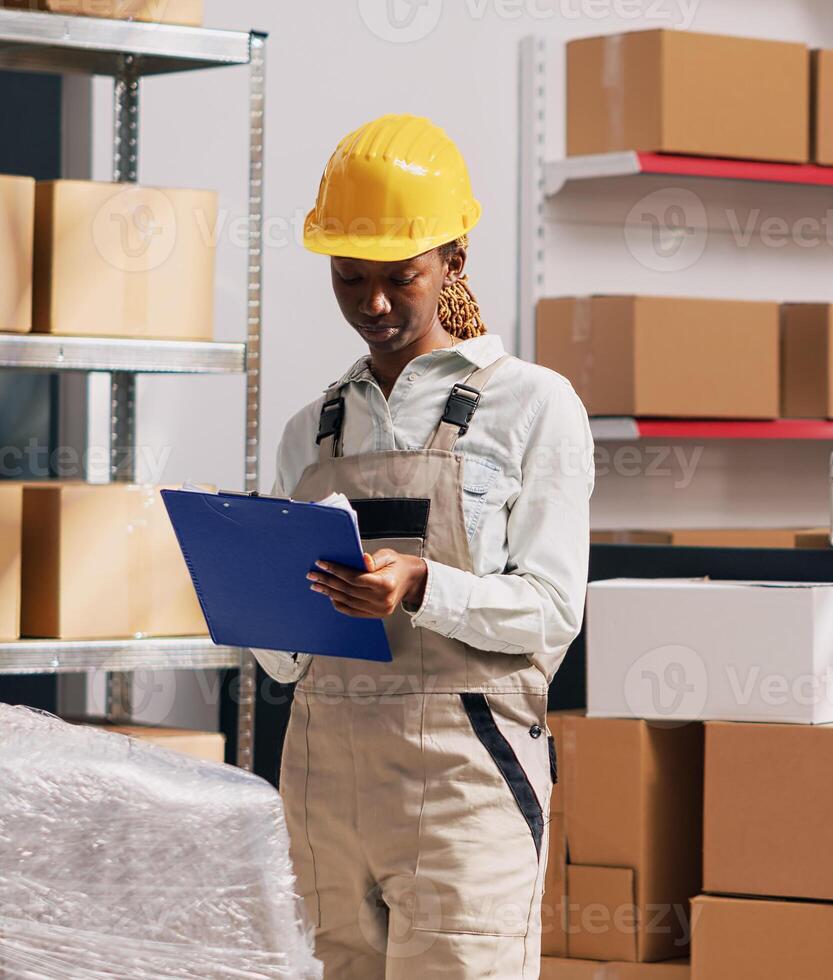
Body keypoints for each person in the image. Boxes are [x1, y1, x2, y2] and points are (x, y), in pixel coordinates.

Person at [250, 113, 593, 979]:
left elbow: (554, 613)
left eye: (399, 278)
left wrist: (423, 584)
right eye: (350, 278)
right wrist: (248, 596)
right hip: (321, 775)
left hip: (465, 776)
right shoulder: (310, 431)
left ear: (453, 261)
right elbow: (287, 665)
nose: (372, 304)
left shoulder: (536, 407)